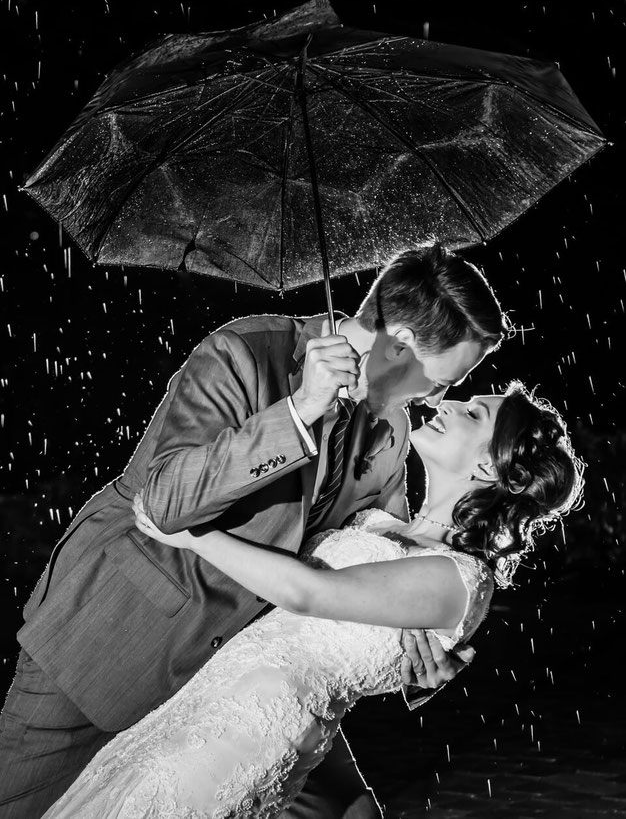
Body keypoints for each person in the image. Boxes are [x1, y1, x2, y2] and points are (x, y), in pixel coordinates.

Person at [0, 244, 509, 819]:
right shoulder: (243, 353)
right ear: (401, 344)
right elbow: (164, 500)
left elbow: (377, 559)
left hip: (239, 689)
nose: (437, 398)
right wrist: (300, 410)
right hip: (109, 645)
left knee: (350, 812)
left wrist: (419, 660)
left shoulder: (390, 427)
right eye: (443, 380)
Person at [40, 381, 584, 819]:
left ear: (488, 468)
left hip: (252, 734)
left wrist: (187, 533)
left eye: (471, 413)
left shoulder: (460, 580)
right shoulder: (384, 519)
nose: (450, 404)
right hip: (198, 704)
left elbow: (307, 592)